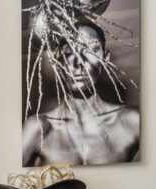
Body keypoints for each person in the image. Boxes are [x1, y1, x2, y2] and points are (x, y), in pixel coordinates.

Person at [22, 19, 140, 167]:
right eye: (68, 50)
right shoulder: (40, 127)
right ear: (58, 61)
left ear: (105, 58)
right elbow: (11, 181)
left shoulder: (130, 121)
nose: (78, 62)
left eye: (90, 50)